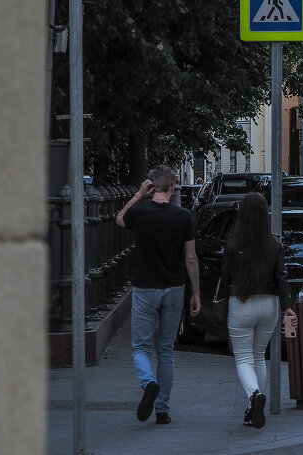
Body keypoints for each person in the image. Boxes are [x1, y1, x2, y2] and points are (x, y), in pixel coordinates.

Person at [115, 165, 201, 425]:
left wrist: (139, 195)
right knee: (166, 351)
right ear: (172, 188)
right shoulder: (184, 216)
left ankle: (148, 382)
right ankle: (162, 410)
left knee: (141, 347)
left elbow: (120, 219)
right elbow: (191, 258)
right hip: (174, 288)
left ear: (151, 186)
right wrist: (196, 292)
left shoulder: (140, 212)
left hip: (145, 287)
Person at [222, 193, 297, 429]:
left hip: (242, 303)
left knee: (243, 358)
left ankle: (255, 397)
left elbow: (225, 276)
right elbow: (281, 278)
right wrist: (288, 307)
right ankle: (253, 410)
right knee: (258, 356)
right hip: (269, 305)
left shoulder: (233, 244)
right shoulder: (275, 244)